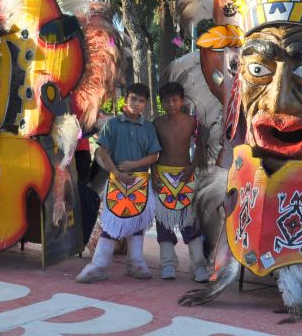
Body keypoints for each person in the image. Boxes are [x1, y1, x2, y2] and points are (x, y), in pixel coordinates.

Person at [76, 83, 161, 283]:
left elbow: (154, 156)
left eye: (141, 100)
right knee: (111, 223)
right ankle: (99, 264)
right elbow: (102, 151)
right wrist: (116, 172)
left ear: (146, 104)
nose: (136, 103)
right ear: (126, 99)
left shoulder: (148, 127)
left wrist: (133, 165)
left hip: (140, 182)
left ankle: (136, 262)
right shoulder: (113, 125)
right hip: (117, 181)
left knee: (138, 222)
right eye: (133, 99)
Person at [153, 82, 209, 282]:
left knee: (191, 221)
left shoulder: (192, 122)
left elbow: (201, 148)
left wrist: (192, 168)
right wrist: (154, 175)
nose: (171, 104)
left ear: (182, 101)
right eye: (166, 101)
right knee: (163, 222)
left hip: (186, 174)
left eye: (174, 100)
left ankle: (198, 265)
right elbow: (152, 152)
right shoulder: (156, 123)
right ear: (161, 102)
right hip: (162, 174)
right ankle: (167, 263)